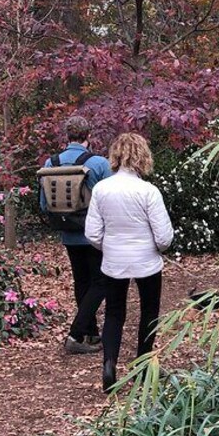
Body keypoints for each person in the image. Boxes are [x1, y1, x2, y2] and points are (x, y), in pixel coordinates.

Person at [84, 133, 174, 393]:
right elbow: (164, 236)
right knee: (148, 312)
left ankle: (109, 364)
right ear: (142, 156)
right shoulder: (148, 191)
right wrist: (156, 248)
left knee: (114, 312)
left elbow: (92, 233)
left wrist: (108, 245)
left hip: (114, 261)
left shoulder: (101, 189)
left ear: (116, 156)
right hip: (147, 262)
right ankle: (142, 366)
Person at [40, 116, 113, 354]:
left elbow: (44, 204)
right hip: (94, 234)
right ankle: (76, 333)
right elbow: (111, 201)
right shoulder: (100, 163)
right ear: (88, 136)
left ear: (66, 136)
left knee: (82, 282)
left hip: (68, 232)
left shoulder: (50, 164)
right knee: (101, 282)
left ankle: (90, 336)